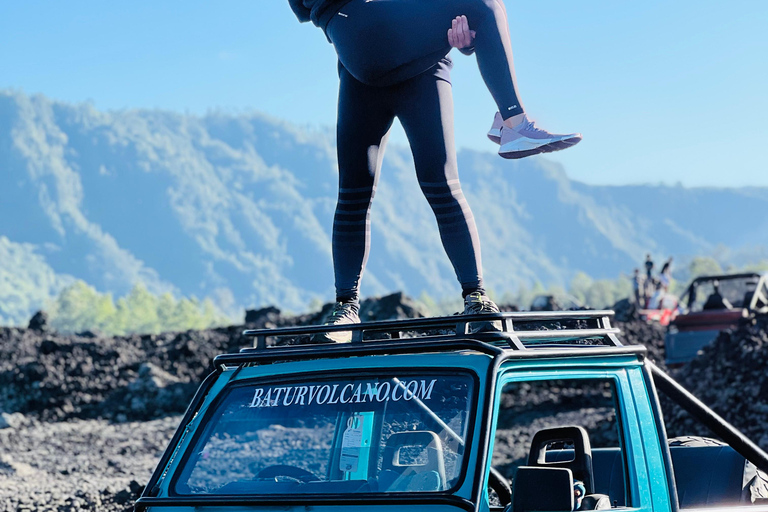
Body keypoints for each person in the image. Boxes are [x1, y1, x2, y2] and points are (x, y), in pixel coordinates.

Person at [288, 0, 581, 342]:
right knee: (487, 6)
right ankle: (514, 122)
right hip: (365, 38)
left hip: (418, 63)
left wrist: (470, 38)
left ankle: (476, 299)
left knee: (442, 185)